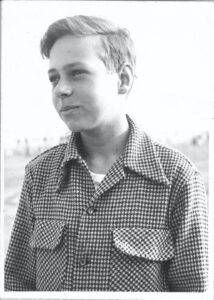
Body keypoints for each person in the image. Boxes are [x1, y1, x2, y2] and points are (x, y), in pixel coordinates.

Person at [5, 15, 208, 292]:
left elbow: (193, 289)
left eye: (77, 73)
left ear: (122, 79)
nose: (61, 89)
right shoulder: (39, 175)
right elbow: (18, 281)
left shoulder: (177, 178)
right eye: (54, 78)